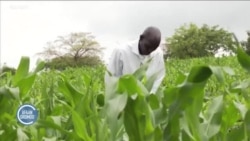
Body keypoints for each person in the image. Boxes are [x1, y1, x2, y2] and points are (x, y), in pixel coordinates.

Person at [106, 26, 166, 94]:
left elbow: (159, 76)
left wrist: (149, 96)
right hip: (123, 98)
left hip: (146, 99)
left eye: (153, 48)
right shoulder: (121, 51)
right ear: (141, 38)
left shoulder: (158, 53)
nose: (150, 51)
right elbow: (111, 78)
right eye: (147, 46)